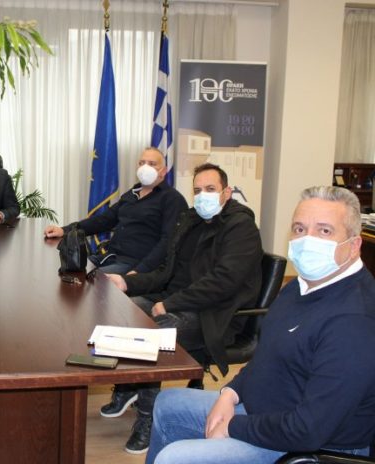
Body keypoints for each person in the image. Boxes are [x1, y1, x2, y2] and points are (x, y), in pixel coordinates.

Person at [146, 186, 375, 464]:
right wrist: (230, 393)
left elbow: (308, 430)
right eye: (300, 229)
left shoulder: (355, 321)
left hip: (308, 445)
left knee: (175, 458)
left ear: (354, 245)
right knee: (168, 404)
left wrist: (233, 426)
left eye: (324, 231)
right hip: (264, 412)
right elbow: (267, 357)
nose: (308, 240)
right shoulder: (302, 286)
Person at [104, 163, 263, 454]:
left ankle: (148, 419)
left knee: (153, 334)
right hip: (179, 301)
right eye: (198, 190)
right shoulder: (190, 221)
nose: (203, 196)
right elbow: (165, 272)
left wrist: (169, 304)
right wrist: (128, 283)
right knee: (125, 311)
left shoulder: (241, 228)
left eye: (210, 189)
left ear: (227, 192)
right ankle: (129, 388)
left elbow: (223, 282)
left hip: (216, 315)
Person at [44, 147, 187, 274]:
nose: (145, 167)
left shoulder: (172, 199)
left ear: (164, 171)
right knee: (67, 269)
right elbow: (104, 220)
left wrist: (139, 271)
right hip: (110, 257)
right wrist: (65, 230)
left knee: (90, 282)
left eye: (152, 164)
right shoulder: (132, 194)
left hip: (136, 265)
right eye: (142, 163)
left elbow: (168, 242)